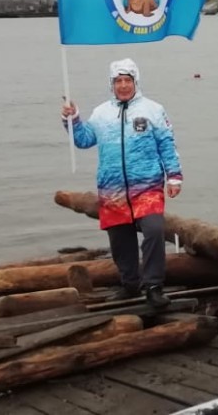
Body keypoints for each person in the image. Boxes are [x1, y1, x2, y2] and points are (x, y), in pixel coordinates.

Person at [61, 58, 182, 307]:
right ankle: (130, 284)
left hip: (147, 186)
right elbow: (83, 140)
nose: (123, 86)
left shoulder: (153, 110)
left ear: (136, 82)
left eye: (128, 80)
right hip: (112, 189)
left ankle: (154, 287)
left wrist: (174, 176)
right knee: (120, 239)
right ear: (112, 84)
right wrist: (72, 120)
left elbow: (167, 144)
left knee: (153, 231)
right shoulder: (101, 113)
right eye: (118, 81)